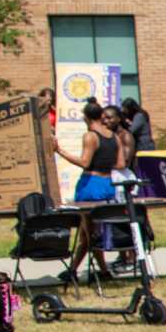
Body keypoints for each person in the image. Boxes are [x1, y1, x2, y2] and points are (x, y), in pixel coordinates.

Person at [50, 97, 124, 282]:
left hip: (91, 184)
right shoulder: (114, 136)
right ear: (101, 115)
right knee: (88, 232)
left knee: (89, 232)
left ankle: (98, 271)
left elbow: (84, 162)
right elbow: (121, 163)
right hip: (108, 185)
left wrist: (60, 151)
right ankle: (78, 270)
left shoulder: (90, 136)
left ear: (85, 117)